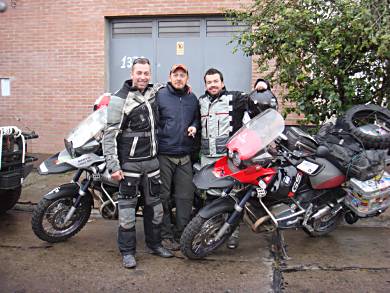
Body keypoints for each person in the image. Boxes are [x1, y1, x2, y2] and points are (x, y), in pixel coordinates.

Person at [103, 57, 173, 269]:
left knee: (156, 210)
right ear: (132, 73)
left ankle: (155, 244)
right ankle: (127, 252)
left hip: (152, 164)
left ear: (150, 75)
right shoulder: (119, 99)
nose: (143, 77)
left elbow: (175, 89)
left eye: (146, 73)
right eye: (139, 73)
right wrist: (114, 166)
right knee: (127, 213)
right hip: (129, 166)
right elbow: (109, 136)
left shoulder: (154, 93)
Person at [199, 68, 269, 249]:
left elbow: (254, 99)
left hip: (229, 159)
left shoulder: (235, 98)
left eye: (216, 81)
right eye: (209, 82)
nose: (213, 85)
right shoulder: (201, 102)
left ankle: (232, 234)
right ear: (205, 85)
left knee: (232, 197)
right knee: (211, 197)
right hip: (208, 158)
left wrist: (262, 84)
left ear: (222, 83)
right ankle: (211, 230)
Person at [156, 64, 200, 251]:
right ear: (170, 76)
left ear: (187, 78)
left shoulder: (192, 98)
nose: (179, 78)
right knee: (163, 197)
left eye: (182, 75)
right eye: (176, 75)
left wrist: (195, 126)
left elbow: (197, 118)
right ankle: (166, 235)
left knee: (185, 197)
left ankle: (182, 233)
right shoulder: (160, 96)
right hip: (164, 154)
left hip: (185, 156)